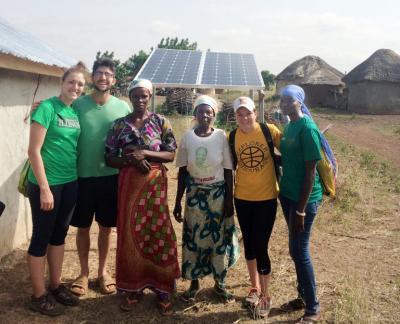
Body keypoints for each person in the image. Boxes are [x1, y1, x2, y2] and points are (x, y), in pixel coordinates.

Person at [105, 79, 180, 316]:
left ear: (150, 97)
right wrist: (129, 159)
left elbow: (170, 154)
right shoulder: (119, 125)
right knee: (130, 233)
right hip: (129, 186)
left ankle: (162, 287)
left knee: (158, 231)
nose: (140, 100)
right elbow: (108, 157)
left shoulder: (160, 121)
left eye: (144, 96)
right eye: (135, 96)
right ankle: (133, 288)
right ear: (130, 97)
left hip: (155, 185)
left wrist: (144, 152)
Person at [26, 62, 87, 316]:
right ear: (62, 83)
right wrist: (44, 188)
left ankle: (55, 285)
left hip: (69, 182)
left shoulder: (73, 112)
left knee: (59, 235)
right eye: (71, 82)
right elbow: (33, 151)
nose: (75, 87)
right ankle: (38, 295)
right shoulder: (47, 108)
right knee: (42, 236)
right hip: (46, 184)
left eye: (80, 84)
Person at [69, 59, 131, 296]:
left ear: (113, 80)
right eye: (99, 73)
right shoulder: (77, 105)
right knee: (82, 228)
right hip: (81, 176)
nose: (103, 77)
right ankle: (83, 273)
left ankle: (103, 272)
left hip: (111, 177)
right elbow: (57, 112)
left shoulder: (122, 107)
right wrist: (40, 105)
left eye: (108, 74)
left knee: (106, 228)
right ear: (92, 77)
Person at [173, 95, 240, 304]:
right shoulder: (187, 137)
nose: (205, 115)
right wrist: (177, 201)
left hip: (218, 196)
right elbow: (183, 172)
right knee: (193, 240)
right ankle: (194, 283)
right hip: (194, 197)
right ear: (195, 114)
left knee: (219, 241)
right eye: (201, 111)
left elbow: (229, 171)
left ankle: (220, 285)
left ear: (214, 114)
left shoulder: (221, 136)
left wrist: (229, 201)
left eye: (209, 111)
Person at [230, 96, 281, 318]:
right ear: (235, 117)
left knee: (261, 245)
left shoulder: (269, 130)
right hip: (241, 198)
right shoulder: (232, 136)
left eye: (247, 113)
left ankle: (266, 295)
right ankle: (255, 287)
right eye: (239, 115)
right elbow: (229, 166)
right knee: (249, 244)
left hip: (267, 198)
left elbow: (290, 148)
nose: (244, 118)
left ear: (255, 113)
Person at [278, 84, 323, 323]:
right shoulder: (290, 125)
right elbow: (287, 157)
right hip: (287, 195)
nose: (284, 105)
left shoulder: (307, 128)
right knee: (295, 249)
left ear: (299, 102)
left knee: (300, 251)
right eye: (282, 101)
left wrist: (301, 209)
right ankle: (303, 297)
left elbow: (310, 172)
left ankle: (313, 307)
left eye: (289, 100)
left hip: (303, 199)